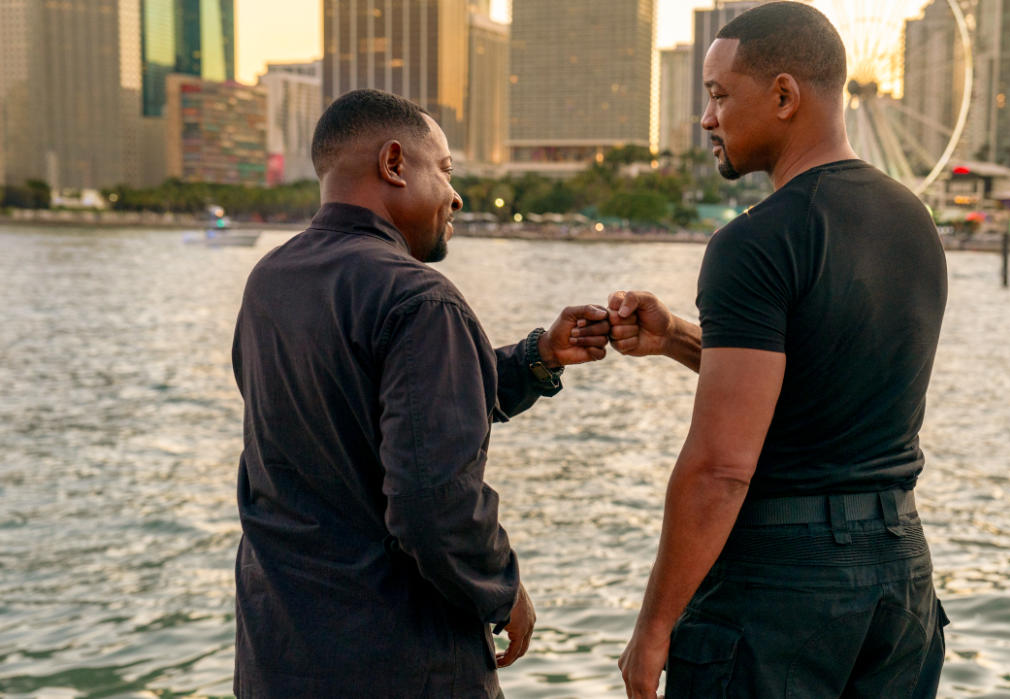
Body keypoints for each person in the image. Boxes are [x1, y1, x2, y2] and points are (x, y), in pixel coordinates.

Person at [610, 4, 950, 698]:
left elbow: (718, 469)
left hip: (784, 589)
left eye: (718, 94)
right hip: (900, 579)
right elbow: (814, 374)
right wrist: (674, 334)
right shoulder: (913, 222)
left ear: (785, 95)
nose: (707, 118)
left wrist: (652, 627)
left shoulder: (756, 242)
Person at [231, 88, 611, 697]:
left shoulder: (270, 281)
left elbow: (371, 414)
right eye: (445, 169)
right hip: (399, 661)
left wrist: (535, 359)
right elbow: (432, 504)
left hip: (278, 655)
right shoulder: (419, 298)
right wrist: (503, 588)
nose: (456, 194)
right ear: (393, 164)